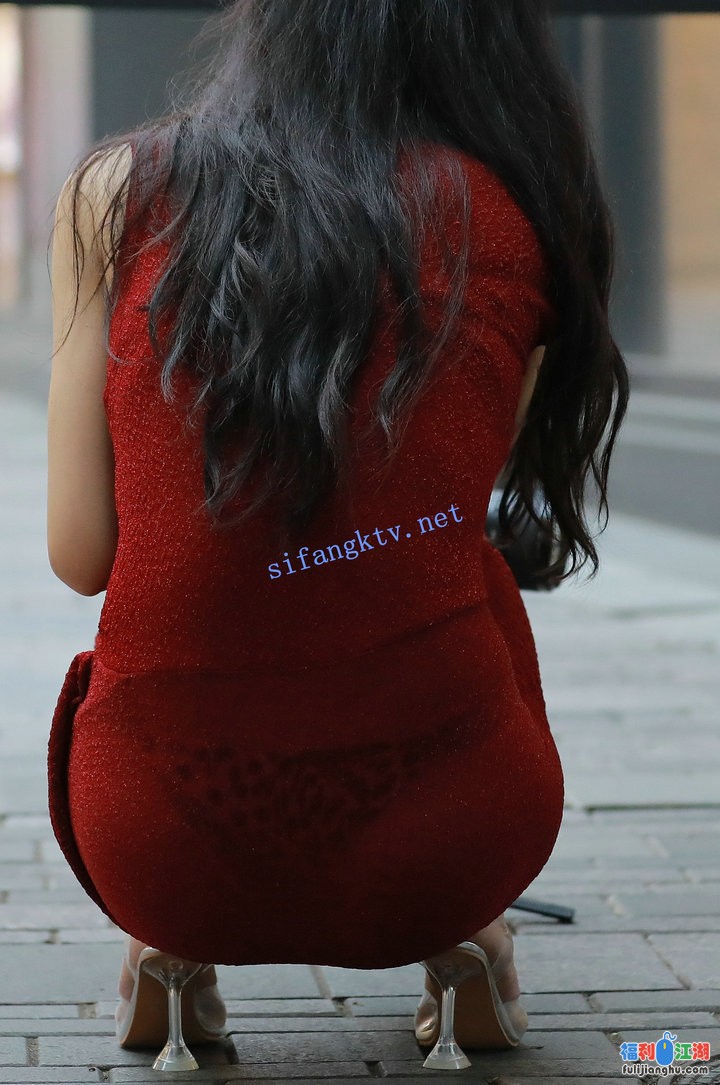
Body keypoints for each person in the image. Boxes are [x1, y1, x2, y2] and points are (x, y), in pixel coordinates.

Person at [46, 0, 629, 1074]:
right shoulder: (512, 217)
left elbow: (81, 554)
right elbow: (430, 512)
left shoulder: (119, 194)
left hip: (152, 837)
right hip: (454, 836)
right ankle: (468, 938)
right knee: (463, 576)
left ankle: (171, 947)